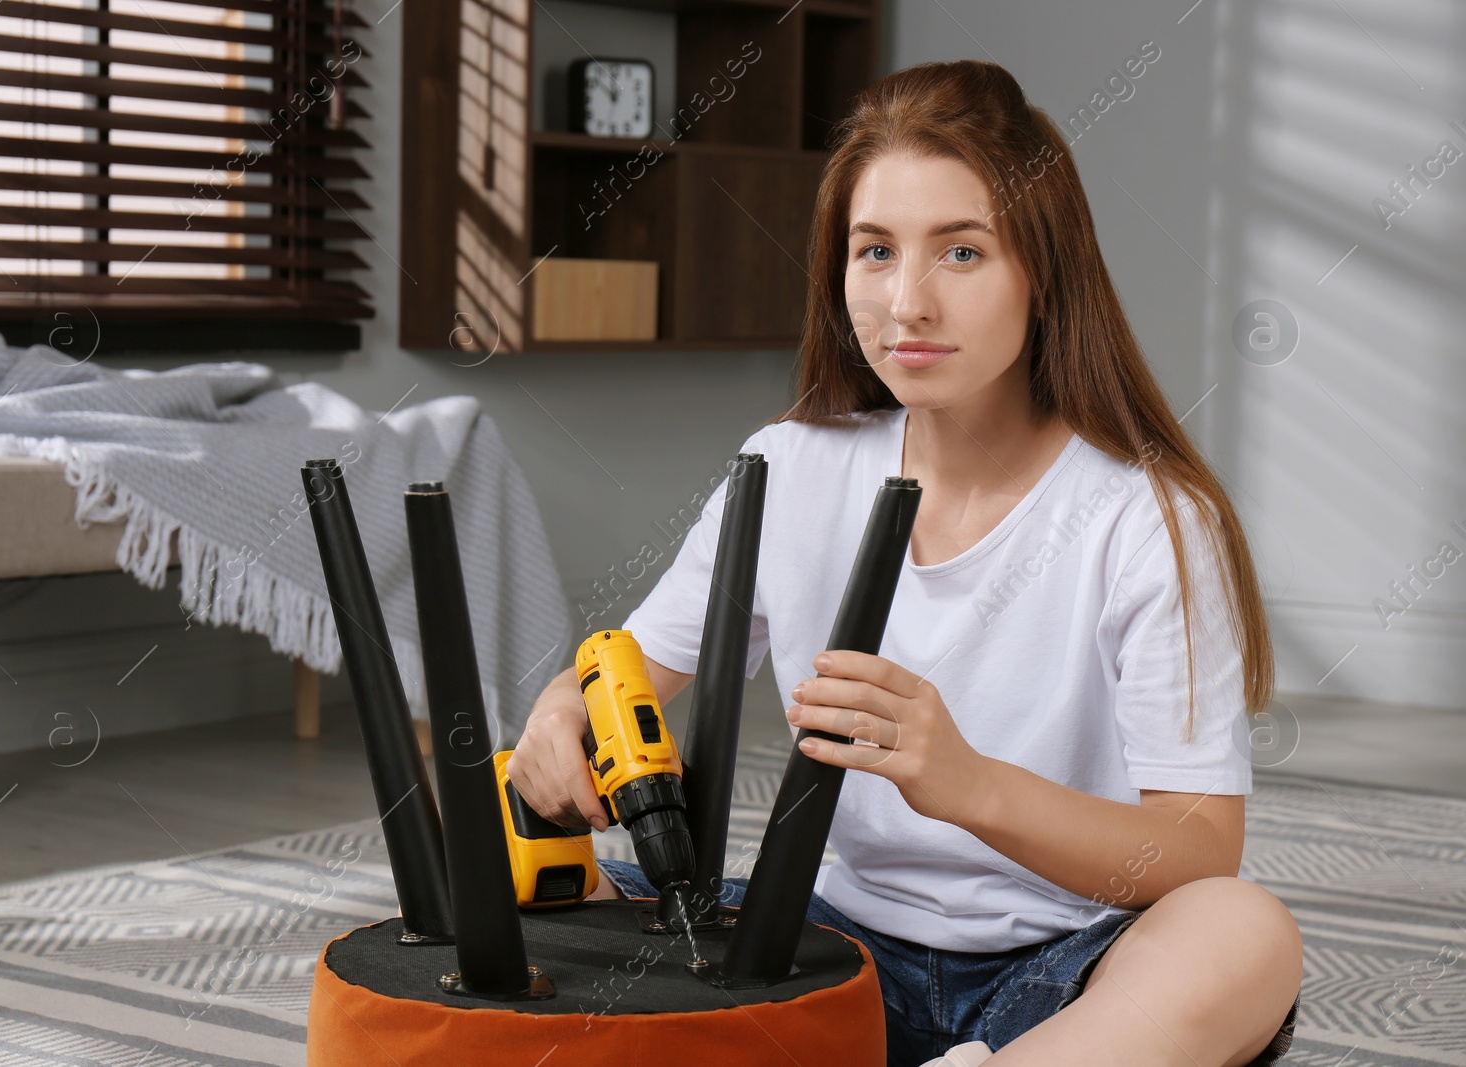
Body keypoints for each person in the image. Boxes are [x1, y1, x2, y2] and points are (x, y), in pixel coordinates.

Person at [504, 60, 1302, 1067]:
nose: (905, 302)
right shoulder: (788, 466)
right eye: (873, 251)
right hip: (825, 947)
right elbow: (625, 676)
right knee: (488, 878)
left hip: (1062, 971)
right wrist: (557, 716)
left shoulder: (1144, 516)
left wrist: (966, 781)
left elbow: (1194, 849)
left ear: (1042, 271)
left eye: (960, 252)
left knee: (1241, 932)